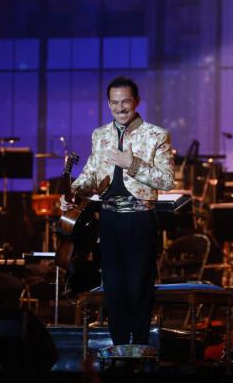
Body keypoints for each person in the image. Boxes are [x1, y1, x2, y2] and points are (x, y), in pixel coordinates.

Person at [60, 75, 174, 346]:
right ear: (108, 104)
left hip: (140, 219)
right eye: (114, 103)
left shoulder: (156, 135)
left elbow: (167, 181)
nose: (120, 108)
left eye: (125, 102)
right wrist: (73, 191)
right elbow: (90, 174)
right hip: (108, 219)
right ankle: (121, 349)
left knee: (138, 288)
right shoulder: (100, 135)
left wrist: (130, 164)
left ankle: (140, 348)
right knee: (113, 289)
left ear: (136, 101)